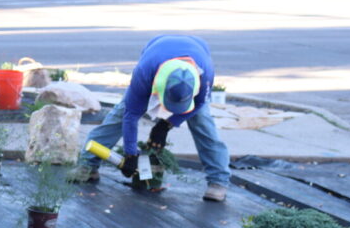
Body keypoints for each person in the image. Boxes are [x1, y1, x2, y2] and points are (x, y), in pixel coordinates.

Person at [70, 35, 231, 202]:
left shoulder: (204, 74)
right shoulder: (145, 72)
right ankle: (88, 164)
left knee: (202, 122)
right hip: (155, 51)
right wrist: (130, 154)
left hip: (197, 50)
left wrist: (166, 125)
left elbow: (197, 105)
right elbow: (131, 115)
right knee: (120, 114)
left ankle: (219, 181)